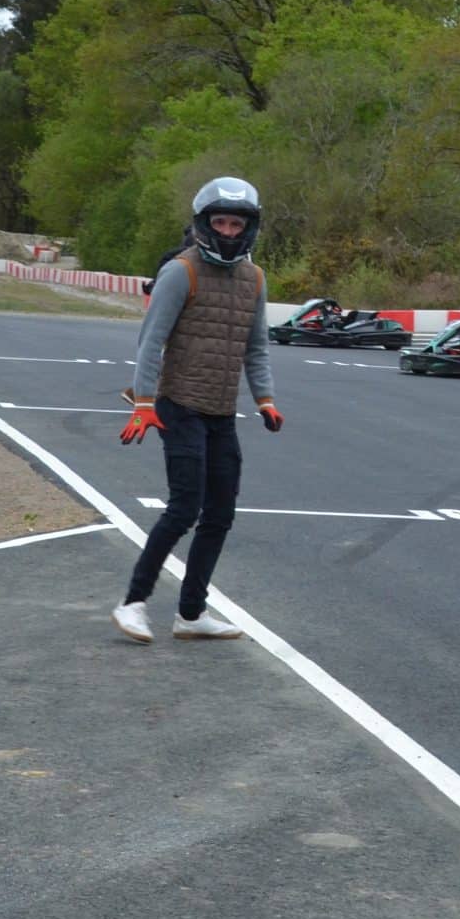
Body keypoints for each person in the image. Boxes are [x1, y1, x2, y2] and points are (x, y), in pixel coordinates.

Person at [112, 176, 282, 643]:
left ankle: (190, 614)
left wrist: (265, 399)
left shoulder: (254, 279)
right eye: (220, 222)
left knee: (220, 512)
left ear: (248, 228)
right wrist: (144, 402)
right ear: (204, 223)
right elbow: (150, 342)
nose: (228, 232)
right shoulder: (180, 272)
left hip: (220, 410)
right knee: (185, 507)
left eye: (236, 224)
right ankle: (133, 603)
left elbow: (256, 348)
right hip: (179, 404)